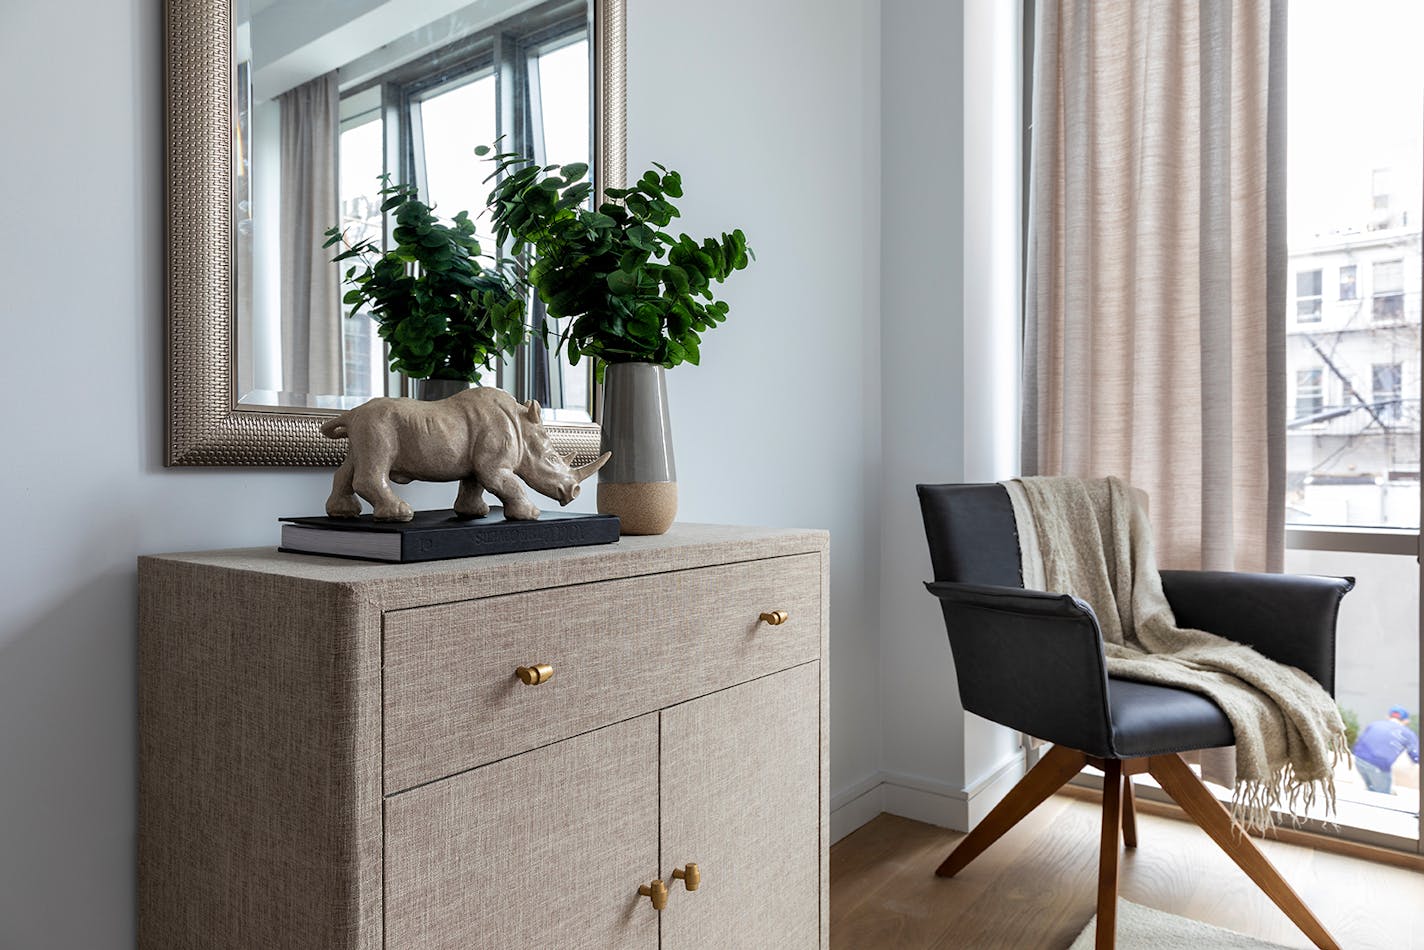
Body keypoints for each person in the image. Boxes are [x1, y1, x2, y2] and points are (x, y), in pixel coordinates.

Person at [1353, 706, 1420, 794]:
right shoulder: (1408, 733)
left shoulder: (1374, 724)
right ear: (1406, 721)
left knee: (1372, 788)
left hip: (1359, 760)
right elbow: (1416, 756)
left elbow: (1359, 742)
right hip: (1379, 766)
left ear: (1388, 717)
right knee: (1384, 796)